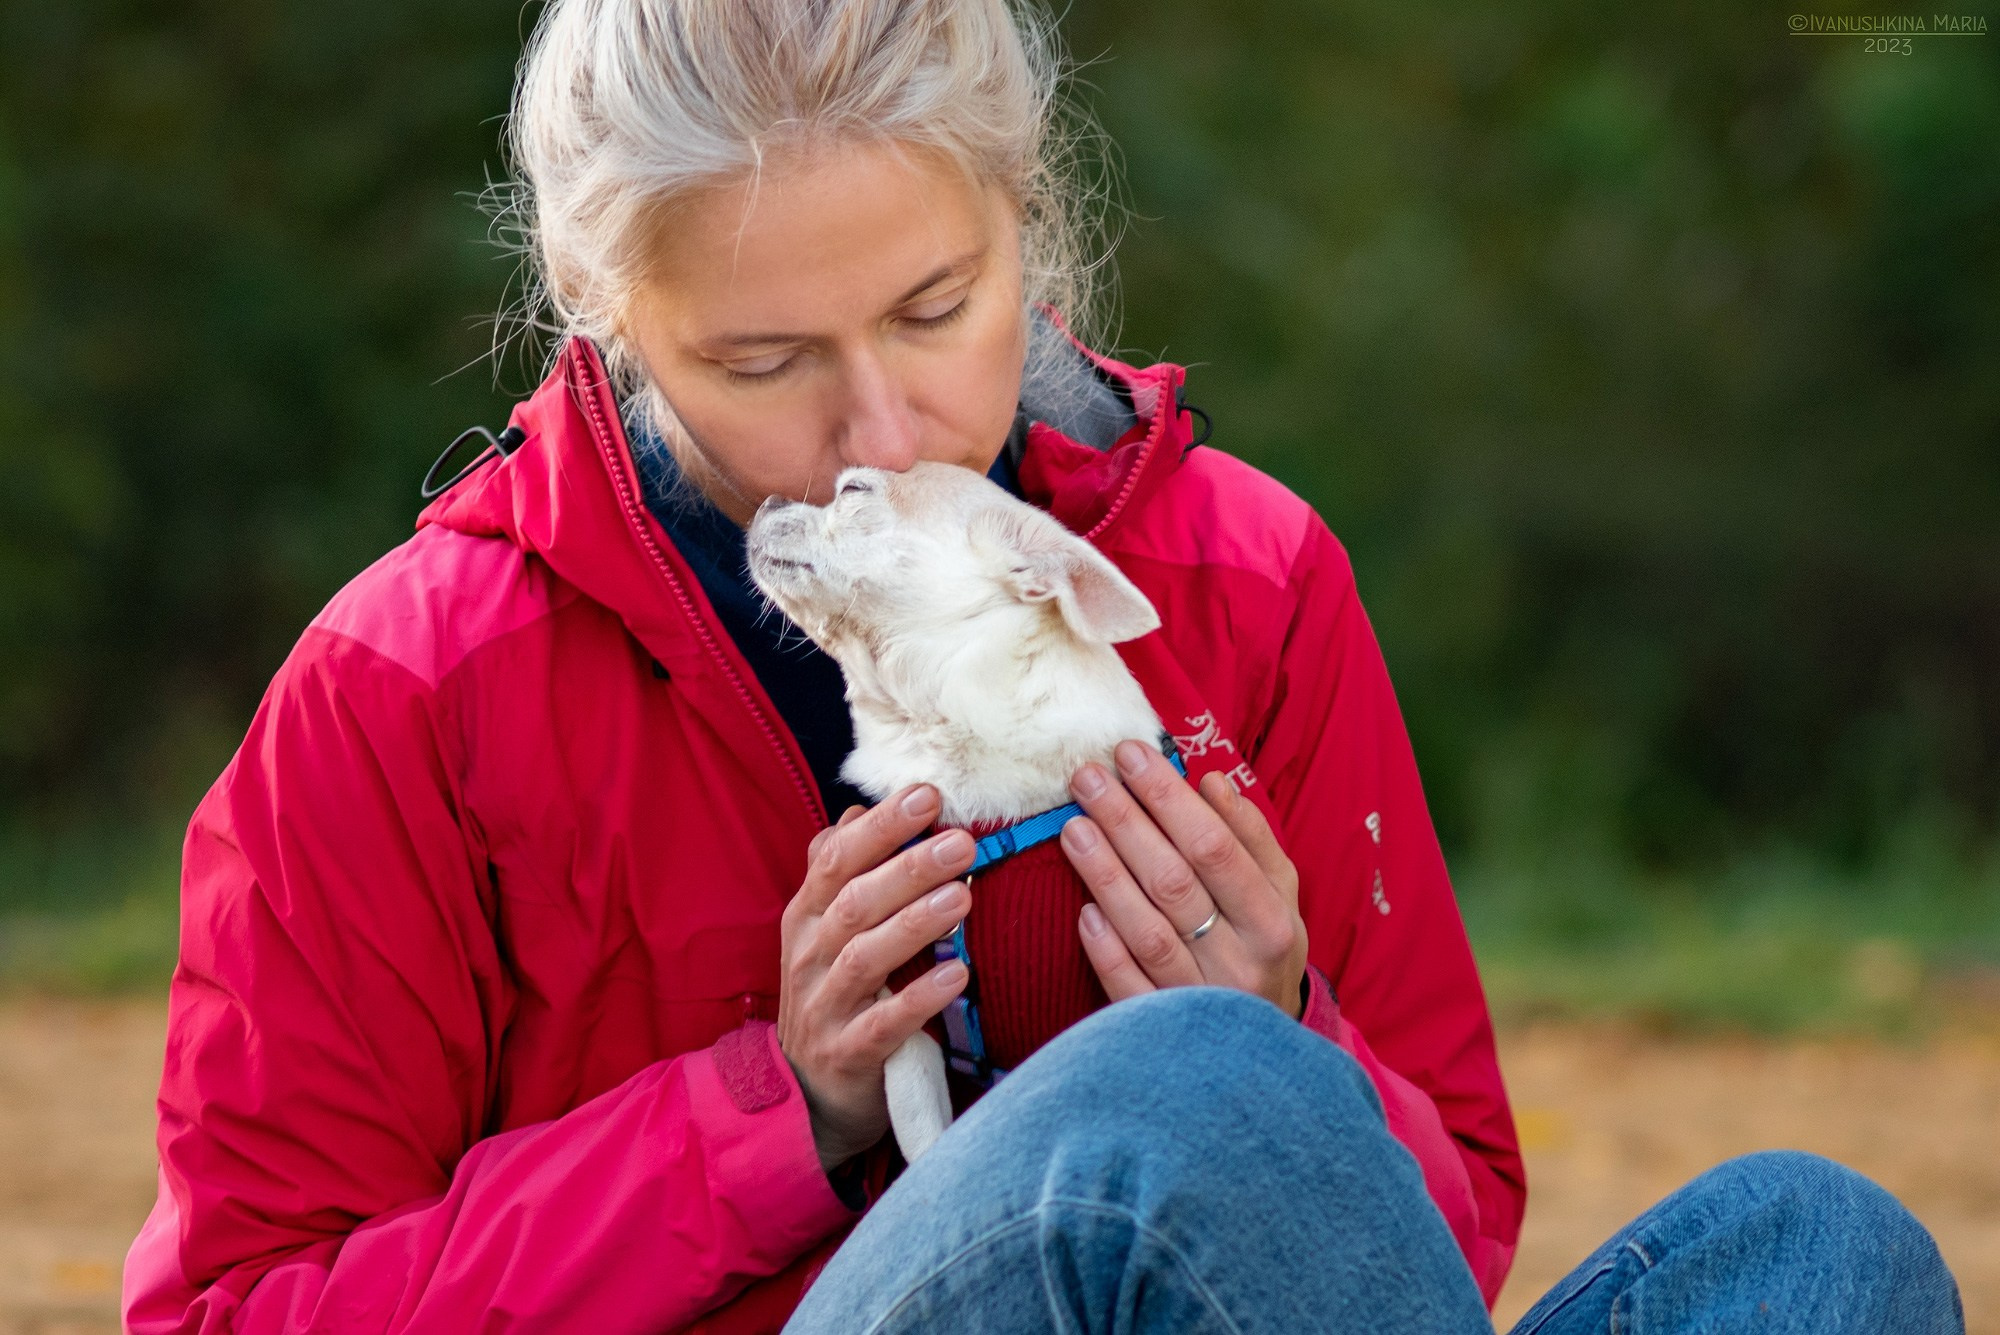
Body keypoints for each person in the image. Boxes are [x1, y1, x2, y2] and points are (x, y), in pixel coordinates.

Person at [122, 1, 1965, 1332]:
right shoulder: (406, 686)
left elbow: (1441, 1240)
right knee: (1193, 1097)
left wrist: (1300, 1032)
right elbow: (231, 1314)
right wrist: (786, 1113)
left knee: (1822, 1255)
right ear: (612, 322)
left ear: (1032, 221)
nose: (879, 424)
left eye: (937, 309)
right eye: (763, 362)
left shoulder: (1245, 576)